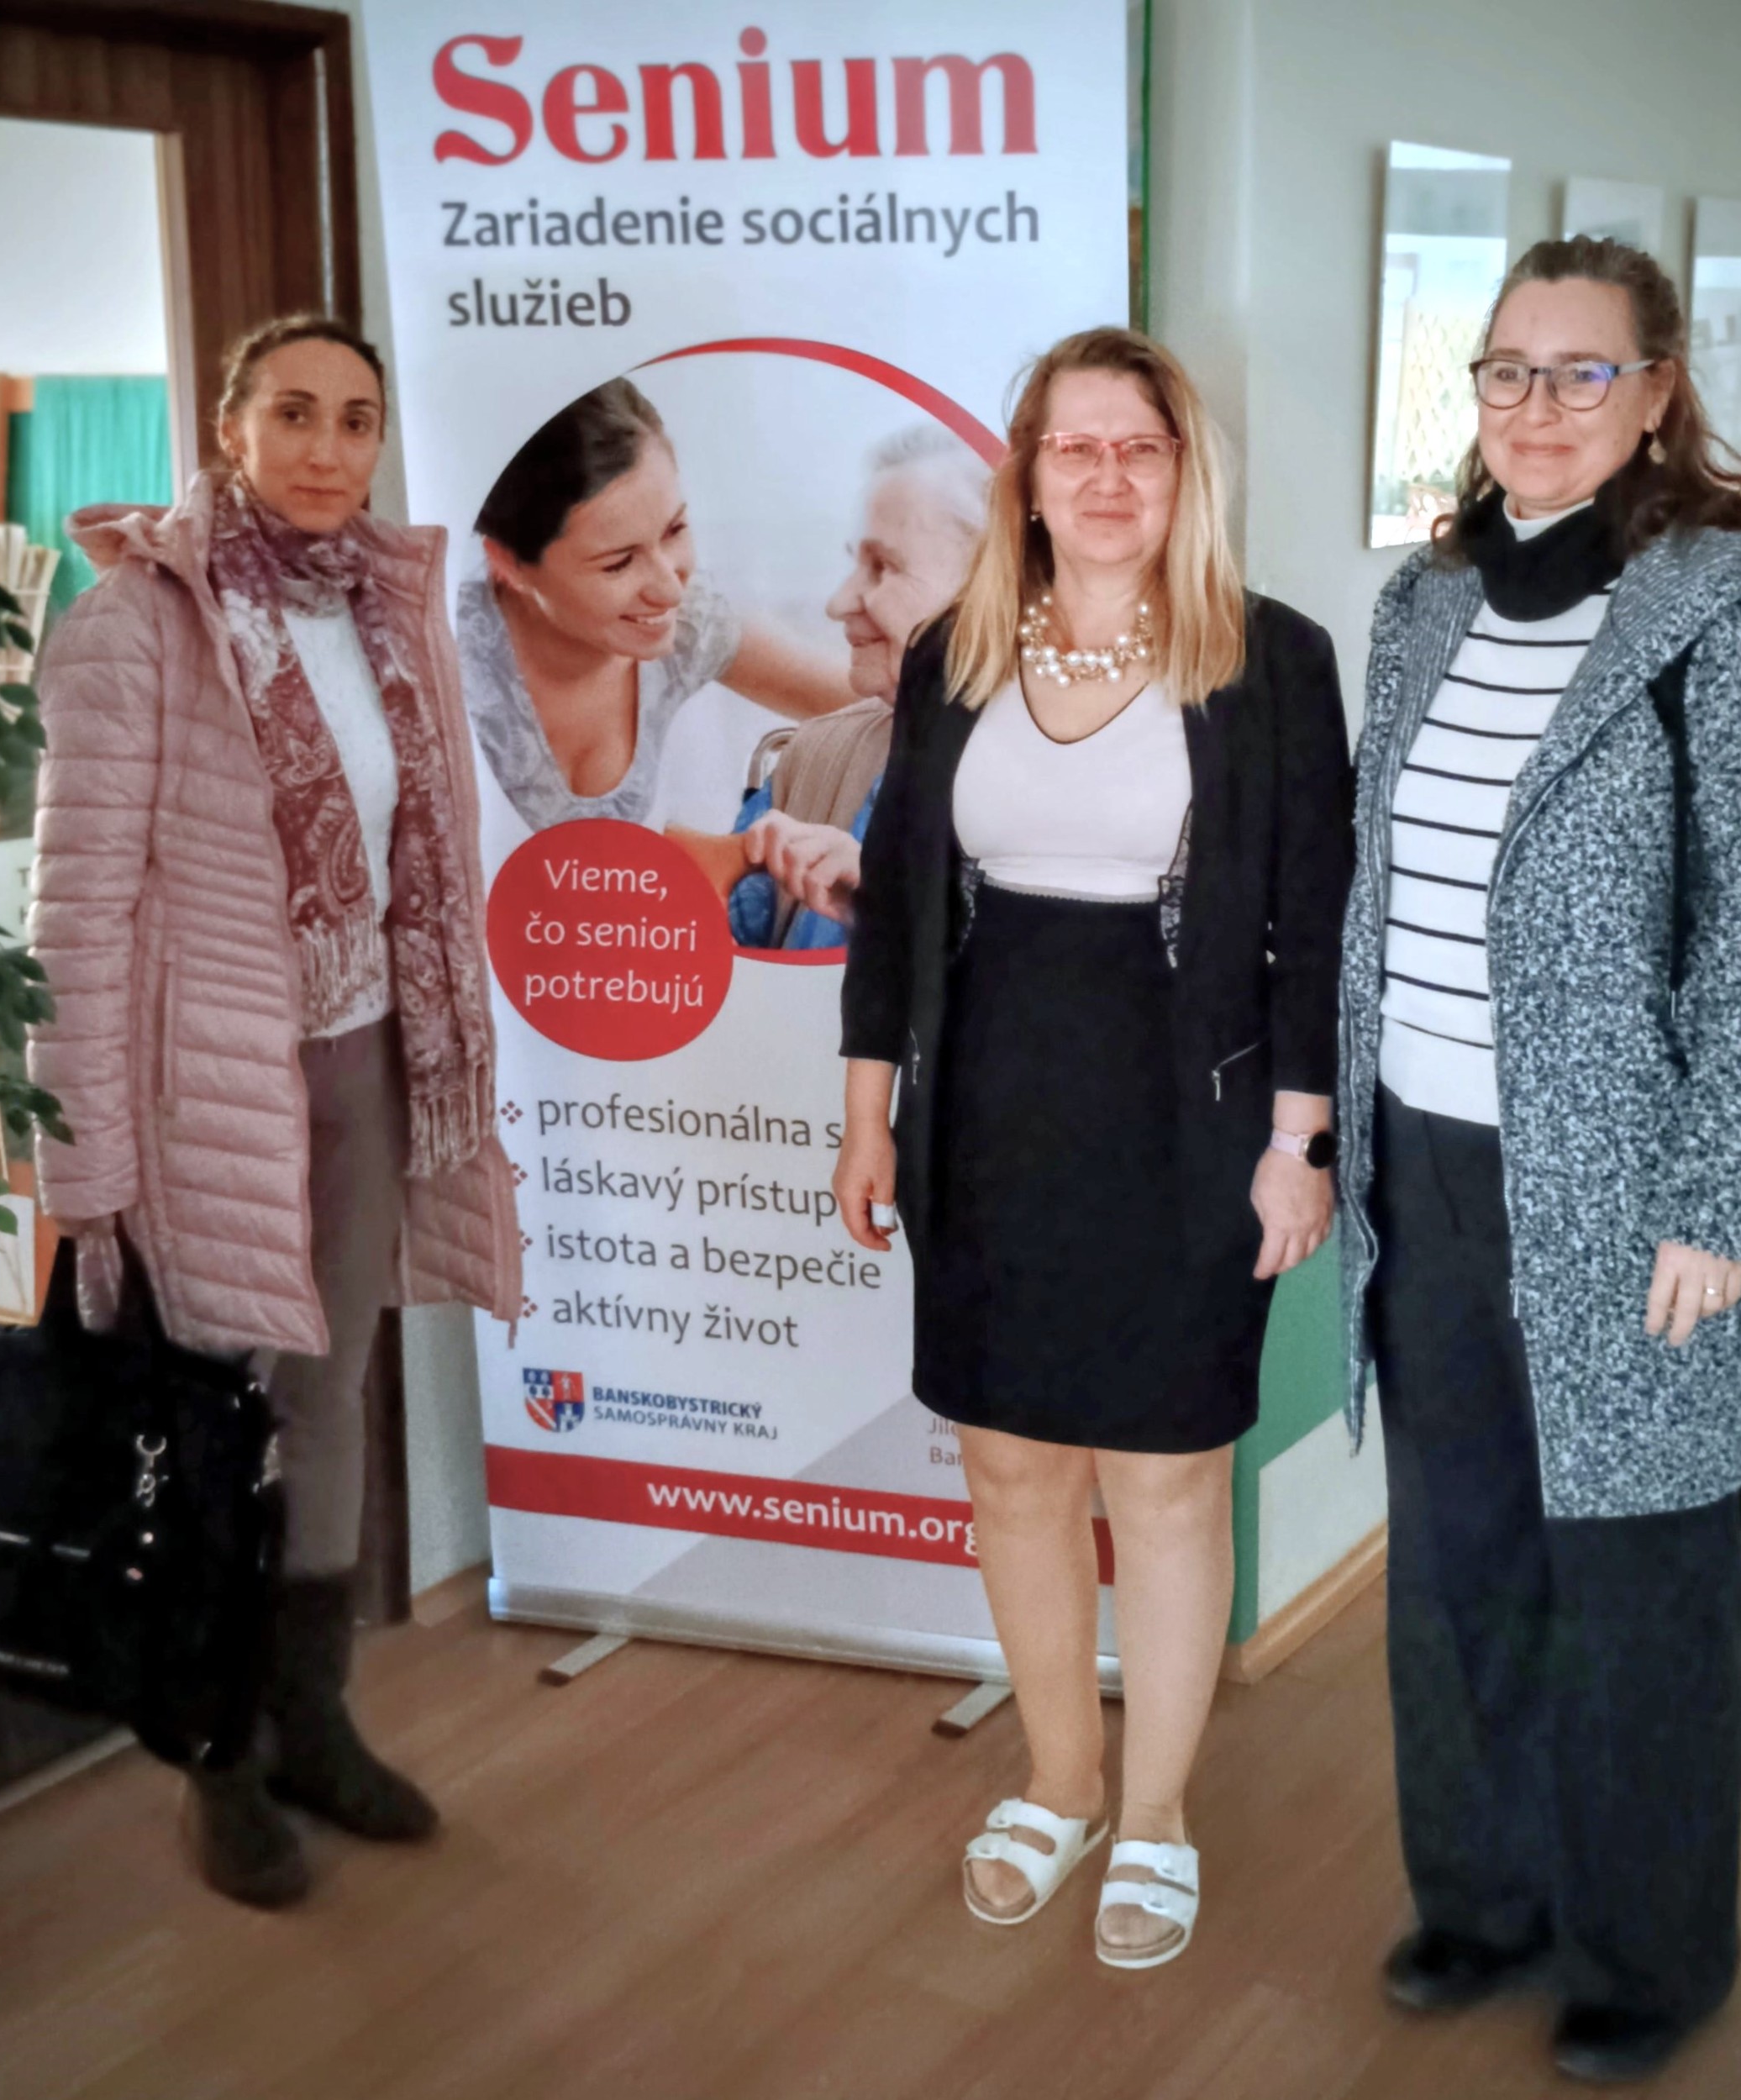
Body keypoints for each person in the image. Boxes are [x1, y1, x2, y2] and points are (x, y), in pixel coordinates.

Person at [835, 327, 1353, 1968]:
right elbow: (894, 906)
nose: (1108, 475)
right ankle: (1058, 1782)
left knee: (1165, 1471)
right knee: (1009, 1464)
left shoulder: (1268, 657)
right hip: (986, 1111)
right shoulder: (953, 649)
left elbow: (1312, 922)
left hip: (1188, 1119)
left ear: (1183, 471)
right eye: (1077, 446)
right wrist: (866, 1115)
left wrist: (1298, 1139)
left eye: (1141, 446)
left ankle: (1155, 1812)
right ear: (1029, 473)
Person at [29, 314, 521, 1911]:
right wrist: (84, 1159)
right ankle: (216, 1750)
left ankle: (311, 1717)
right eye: (293, 412)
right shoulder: (133, 623)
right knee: (205, 1421)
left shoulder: (383, 606)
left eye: (355, 418)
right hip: (208, 1086)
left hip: (364, 1058)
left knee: (327, 1396)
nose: (325, 446)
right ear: (230, 427)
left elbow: (414, 851)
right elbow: (76, 915)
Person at [1338, 235, 1741, 2085]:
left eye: (1582, 372)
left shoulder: (1709, 603)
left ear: (1654, 392)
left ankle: (1649, 1950)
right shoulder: (1421, 604)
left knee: (1636, 1582)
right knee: (1456, 1561)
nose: (1538, 407)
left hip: (1620, 1186)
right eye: (1507, 369)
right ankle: (1481, 1900)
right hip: (1421, 1159)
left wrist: (1711, 1195)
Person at [460, 378, 853, 833]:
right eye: (618, 564)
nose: (670, 590)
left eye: (675, 530)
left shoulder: (691, 624)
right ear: (506, 563)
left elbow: (891, 708)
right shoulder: (447, 658)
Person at [726, 424, 990, 949]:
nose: (839, 603)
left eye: (883, 566)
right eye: (857, 563)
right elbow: (720, 947)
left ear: (992, 588)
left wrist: (882, 898)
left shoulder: (1071, 792)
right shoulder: (815, 757)